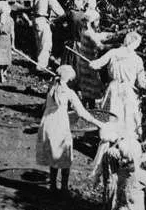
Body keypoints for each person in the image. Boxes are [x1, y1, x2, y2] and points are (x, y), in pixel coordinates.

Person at [36, 65, 104, 193]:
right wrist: (98, 122)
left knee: (54, 155)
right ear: (69, 79)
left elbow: (44, 107)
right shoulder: (68, 92)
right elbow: (82, 112)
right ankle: (64, 187)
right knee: (65, 154)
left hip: (48, 124)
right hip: (60, 126)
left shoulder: (51, 89)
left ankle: (53, 186)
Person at [89, 32, 146, 138]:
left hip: (113, 88)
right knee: (127, 115)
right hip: (128, 90)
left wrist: (92, 64)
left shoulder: (113, 53)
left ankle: (110, 139)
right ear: (135, 44)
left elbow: (97, 64)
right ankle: (125, 140)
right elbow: (142, 81)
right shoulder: (137, 59)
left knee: (112, 113)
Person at [76, 10, 113, 108]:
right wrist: (115, 46)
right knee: (91, 85)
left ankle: (85, 105)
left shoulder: (85, 29)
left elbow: (98, 36)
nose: (99, 23)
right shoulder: (89, 33)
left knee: (86, 85)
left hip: (83, 61)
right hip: (89, 62)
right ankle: (90, 108)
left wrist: (108, 34)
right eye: (98, 21)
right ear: (93, 22)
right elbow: (100, 46)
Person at [32, 0, 65, 72]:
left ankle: (39, 63)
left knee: (39, 43)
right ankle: (41, 66)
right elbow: (56, 7)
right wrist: (63, 15)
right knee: (46, 44)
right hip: (43, 20)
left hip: (36, 19)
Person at [0, 1, 15, 83]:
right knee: (6, 58)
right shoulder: (11, 20)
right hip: (7, 41)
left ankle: (1, 75)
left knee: (0, 58)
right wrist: (13, 44)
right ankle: (4, 72)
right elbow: (12, 33)